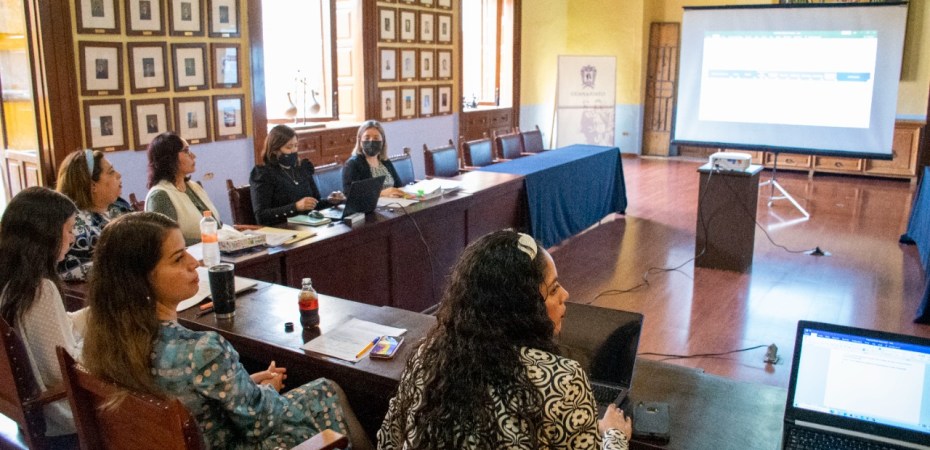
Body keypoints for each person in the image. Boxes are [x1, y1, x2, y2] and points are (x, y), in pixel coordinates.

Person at [81, 212, 373, 450]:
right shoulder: (201, 350)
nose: (194, 262)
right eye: (178, 258)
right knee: (327, 390)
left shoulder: (106, 343)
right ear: (140, 280)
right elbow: (260, 422)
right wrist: (265, 390)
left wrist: (242, 384)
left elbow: (190, 396)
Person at [378, 230, 632, 449]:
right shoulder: (562, 381)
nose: (565, 294)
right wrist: (614, 435)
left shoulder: (427, 356)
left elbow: (388, 441)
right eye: (553, 289)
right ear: (523, 307)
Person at [0, 187, 85, 437]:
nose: (73, 238)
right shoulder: (39, 290)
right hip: (61, 419)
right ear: (46, 233)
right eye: (69, 230)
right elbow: (61, 370)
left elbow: (48, 332)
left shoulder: (12, 282)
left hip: (21, 416)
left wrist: (91, 317)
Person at [56, 149, 131, 281]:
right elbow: (63, 269)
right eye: (111, 172)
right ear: (92, 185)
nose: (119, 175)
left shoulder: (120, 206)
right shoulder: (75, 226)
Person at [249, 124, 344, 225]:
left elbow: (315, 204)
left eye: (296, 146)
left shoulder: (302, 168)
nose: (294, 150)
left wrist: (330, 201)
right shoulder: (264, 174)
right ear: (275, 150)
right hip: (283, 228)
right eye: (289, 147)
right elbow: (261, 216)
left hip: (309, 225)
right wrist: (295, 207)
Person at [144, 131, 222, 245]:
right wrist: (214, 240)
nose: (193, 156)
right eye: (186, 151)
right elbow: (168, 242)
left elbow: (216, 225)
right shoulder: (160, 196)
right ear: (169, 158)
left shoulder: (194, 186)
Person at [342, 120, 406, 197]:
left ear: (382, 141)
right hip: (370, 205)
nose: (371, 141)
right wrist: (381, 193)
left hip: (394, 202)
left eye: (376, 138)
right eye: (367, 138)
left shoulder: (385, 161)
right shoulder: (353, 164)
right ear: (360, 140)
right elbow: (350, 194)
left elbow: (398, 185)